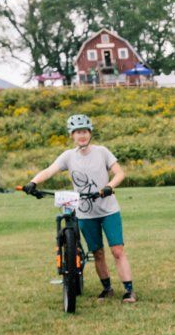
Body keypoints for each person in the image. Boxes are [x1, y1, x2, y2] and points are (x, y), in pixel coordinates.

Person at [22, 114, 135, 303]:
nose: (81, 136)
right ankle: (107, 288)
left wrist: (109, 187)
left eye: (84, 132)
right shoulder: (68, 156)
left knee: (117, 251)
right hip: (85, 212)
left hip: (109, 210)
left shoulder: (102, 152)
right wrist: (33, 182)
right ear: (72, 135)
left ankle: (129, 290)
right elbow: (49, 170)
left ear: (90, 133)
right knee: (97, 252)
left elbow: (119, 173)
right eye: (77, 132)